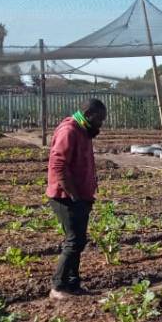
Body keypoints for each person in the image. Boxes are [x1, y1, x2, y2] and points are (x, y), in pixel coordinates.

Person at [46, 99, 107, 300]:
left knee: (77, 240)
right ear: (88, 114)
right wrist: (74, 196)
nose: (100, 124)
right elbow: (58, 166)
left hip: (80, 196)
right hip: (66, 197)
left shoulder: (83, 130)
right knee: (74, 241)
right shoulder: (69, 131)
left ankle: (73, 283)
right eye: (99, 119)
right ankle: (58, 286)